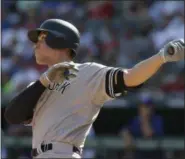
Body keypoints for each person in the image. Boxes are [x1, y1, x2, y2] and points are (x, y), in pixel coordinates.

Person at [4, 19, 184, 158]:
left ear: (58, 40)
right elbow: (12, 116)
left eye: (42, 38)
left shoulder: (86, 73)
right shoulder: (38, 85)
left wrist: (162, 57)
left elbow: (131, 77)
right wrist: (44, 80)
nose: (35, 44)